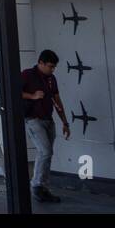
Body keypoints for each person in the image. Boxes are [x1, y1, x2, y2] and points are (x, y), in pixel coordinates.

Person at [22, 49, 71, 204]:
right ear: (41, 63)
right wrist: (32, 96)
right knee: (45, 151)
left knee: (47, 155)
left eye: (54, 67)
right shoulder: (27, 75)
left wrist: (64, 122)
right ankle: (36, 185)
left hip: (48, 119)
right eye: (50, 66)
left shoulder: (51, 79)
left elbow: (57, 100)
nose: (52, 69)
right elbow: (13, 91)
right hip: (33, 119)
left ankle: (43, 188)